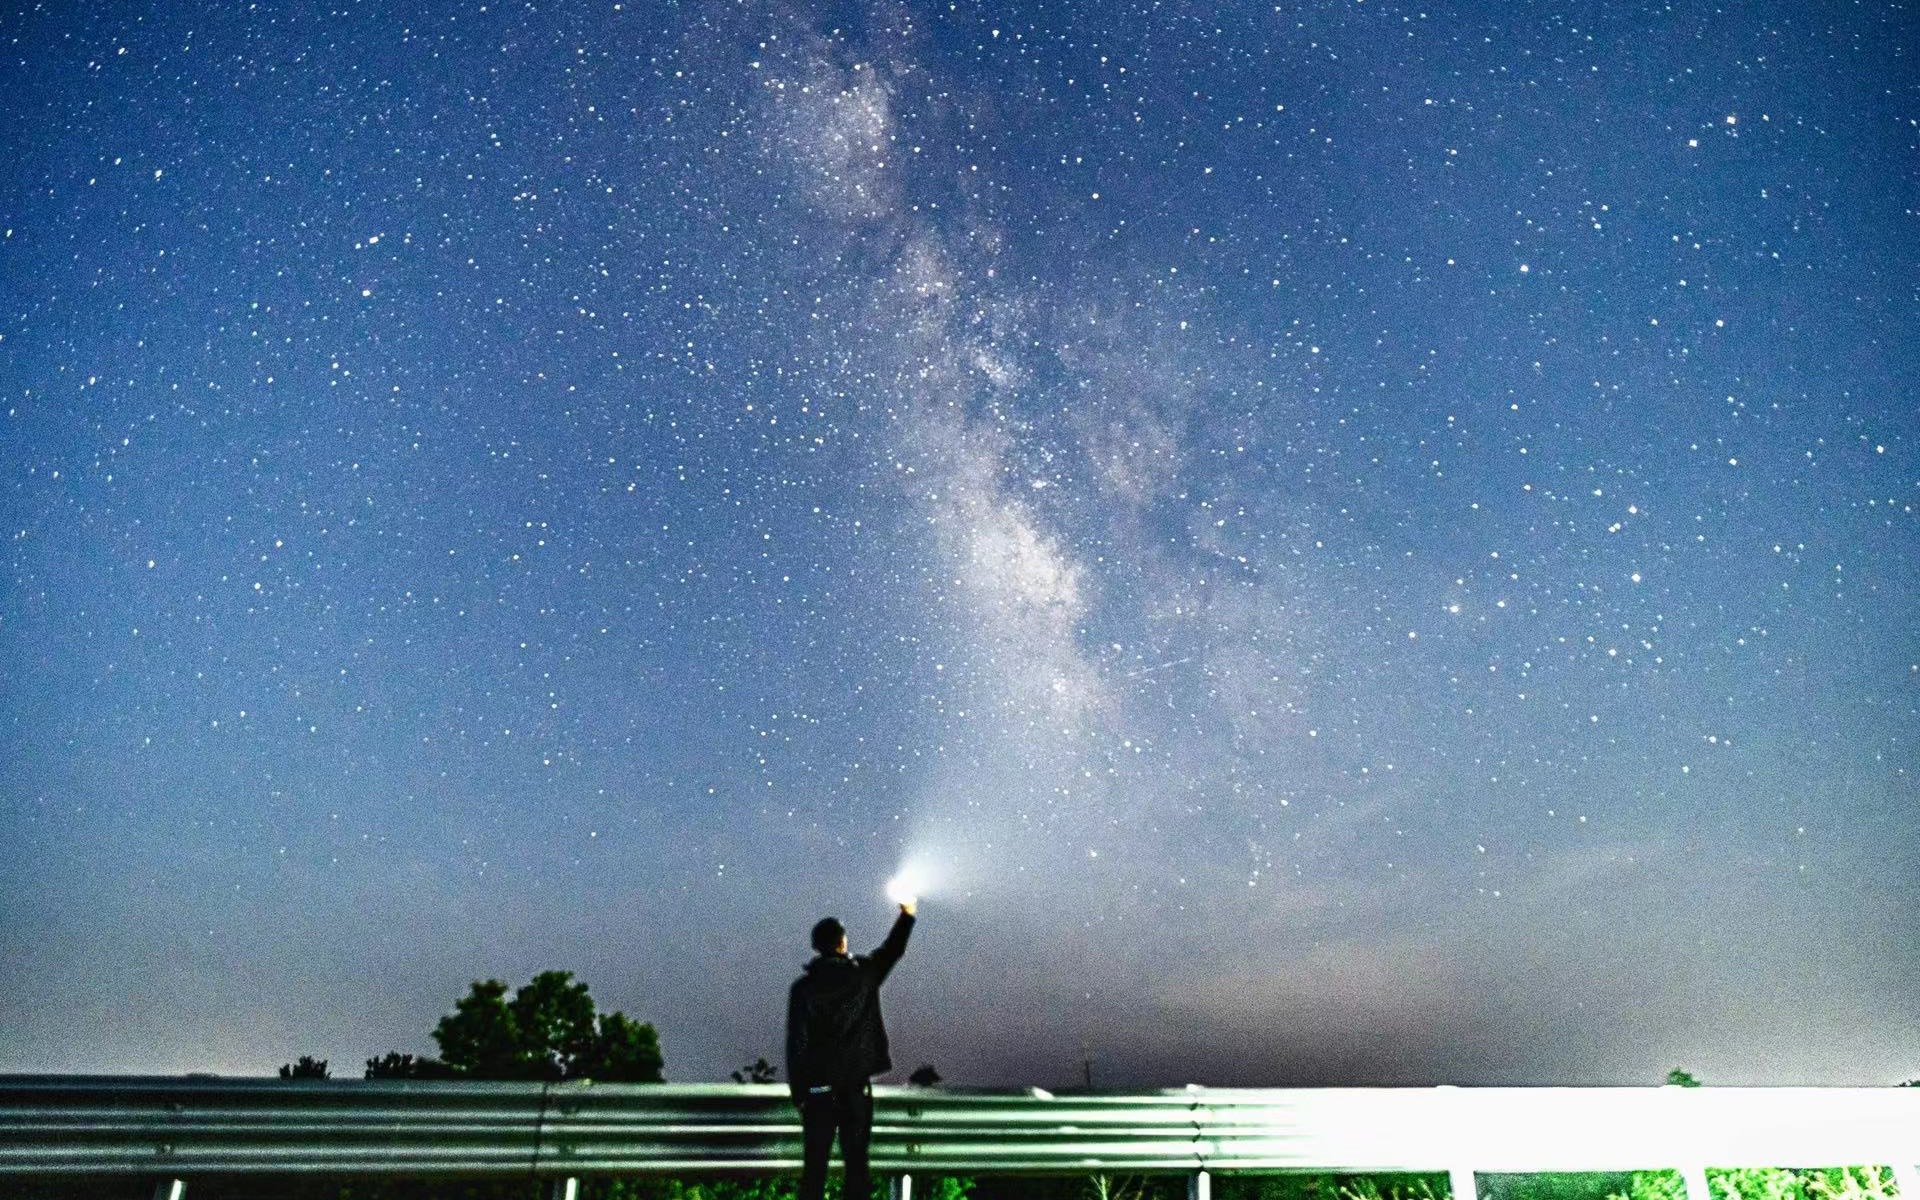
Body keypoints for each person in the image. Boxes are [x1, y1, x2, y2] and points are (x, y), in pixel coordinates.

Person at [785, 899, 917, 1200]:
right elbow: (893, 949)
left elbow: (797, 1043)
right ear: (843, 942)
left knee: (814, 1171)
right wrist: (908, 915)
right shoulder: (864, 975)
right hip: (855, 1089)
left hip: (818, 1091)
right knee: (857, 1169)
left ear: (817, 946)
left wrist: (799, 1094)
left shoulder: (803, 988)